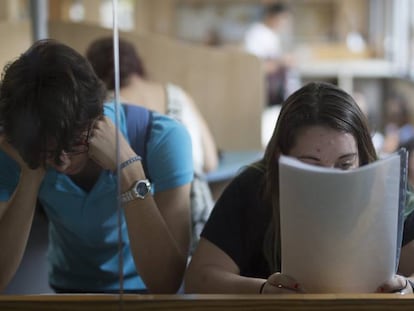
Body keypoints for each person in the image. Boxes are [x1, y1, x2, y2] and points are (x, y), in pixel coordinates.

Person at [0, 39, 193, 294]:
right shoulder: (18, 149)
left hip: (146, 294)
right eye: (50, 153)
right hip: (66, 289)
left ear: (97, 113)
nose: (63, 163)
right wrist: (30, 172)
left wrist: (128, 167)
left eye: (74, 144)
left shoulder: (163, 139)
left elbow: (166, 282)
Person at [184, 81, 414, 294]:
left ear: (363, 157)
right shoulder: (255, 186)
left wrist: (407, 286)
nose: (331, 180)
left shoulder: (387, 189)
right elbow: (200, 277)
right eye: (311, 165)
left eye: (345, 164)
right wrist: (263, 290)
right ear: (280, 158)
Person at [86, 36, 219, 253]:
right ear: (138, 63)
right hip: (199, 211)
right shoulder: (177, 94)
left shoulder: (109, 108)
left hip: (148, 214)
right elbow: (211, 161)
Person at [243, 2, 299, 107]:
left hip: (274, 94)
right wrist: (282, 62)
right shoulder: (256, 34)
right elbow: (254, 67)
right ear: (271, 16)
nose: (284, 24)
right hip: (261, 94)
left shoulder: (272, 35)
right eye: (282, 19)